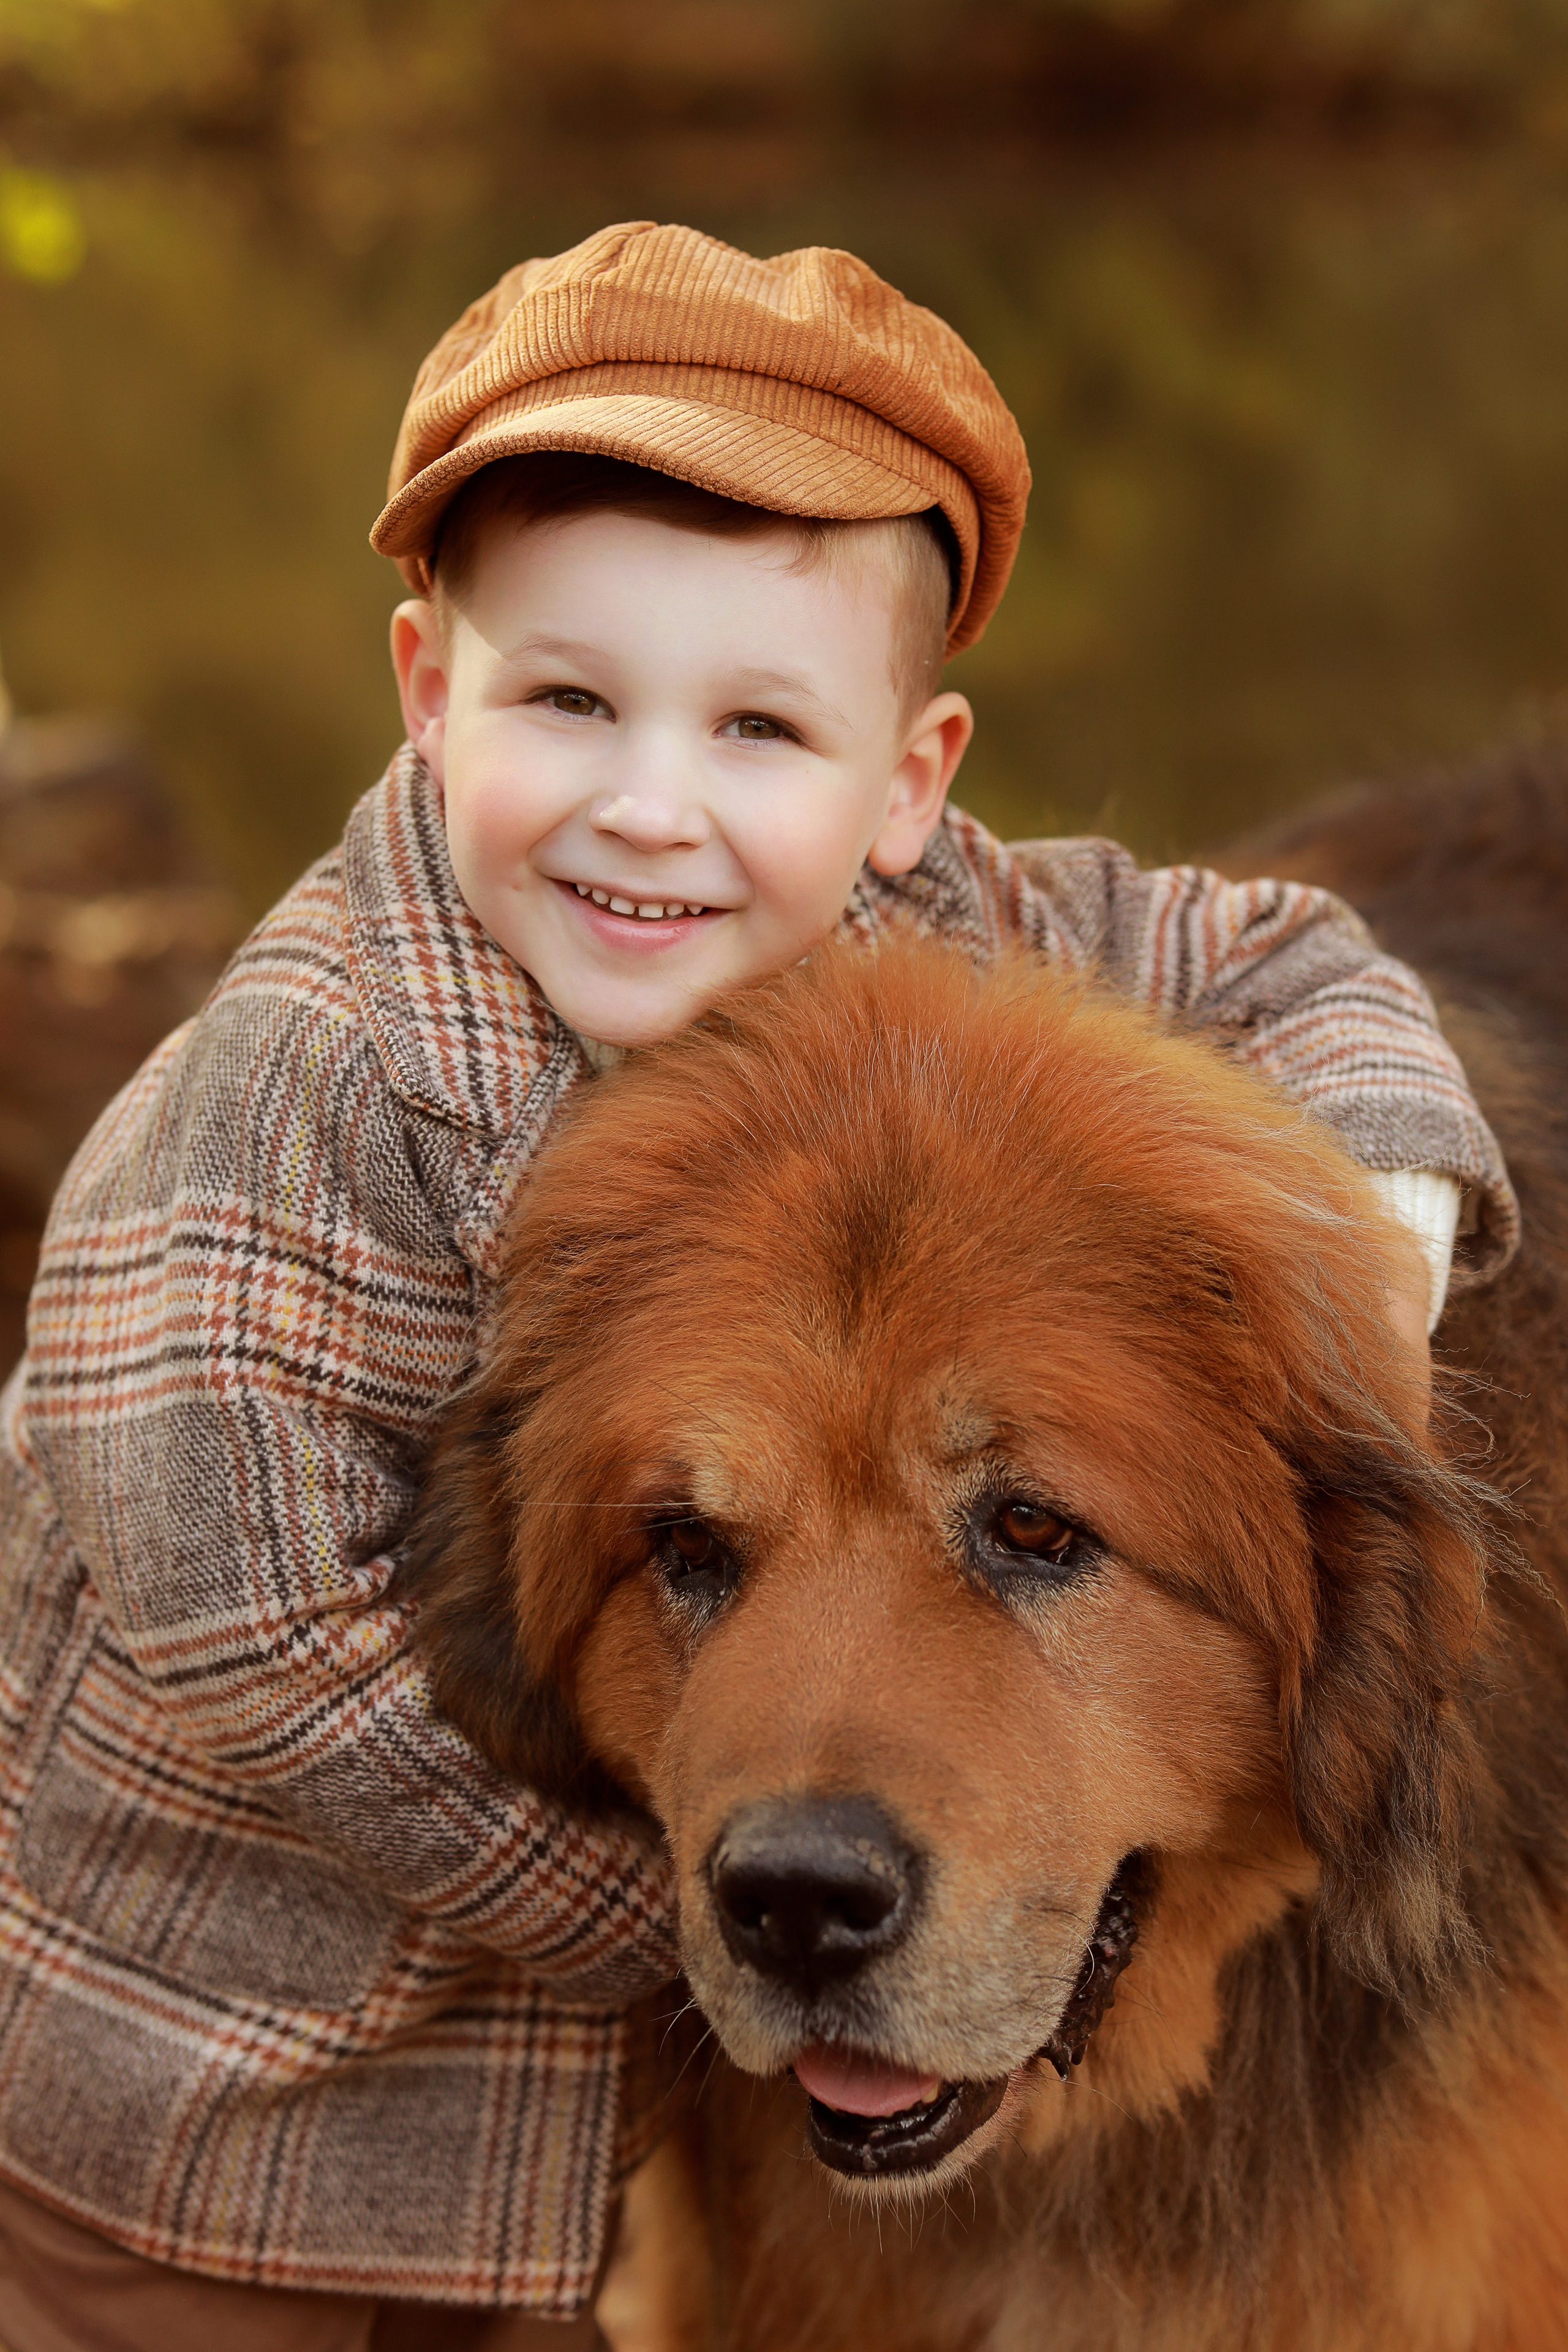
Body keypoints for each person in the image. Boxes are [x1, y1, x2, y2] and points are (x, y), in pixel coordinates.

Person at [0, 221, 1516, 2351]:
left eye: (758, 729)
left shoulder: (937, 919)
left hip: (521, 2147)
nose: (655, 804)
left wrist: (1386, 1232)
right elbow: (256, 1635)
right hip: (197, 2087)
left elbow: (1279, 954)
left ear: (912, 778)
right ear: (430, 691)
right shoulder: (295, 1093)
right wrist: (665, 1892)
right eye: (568, 701)